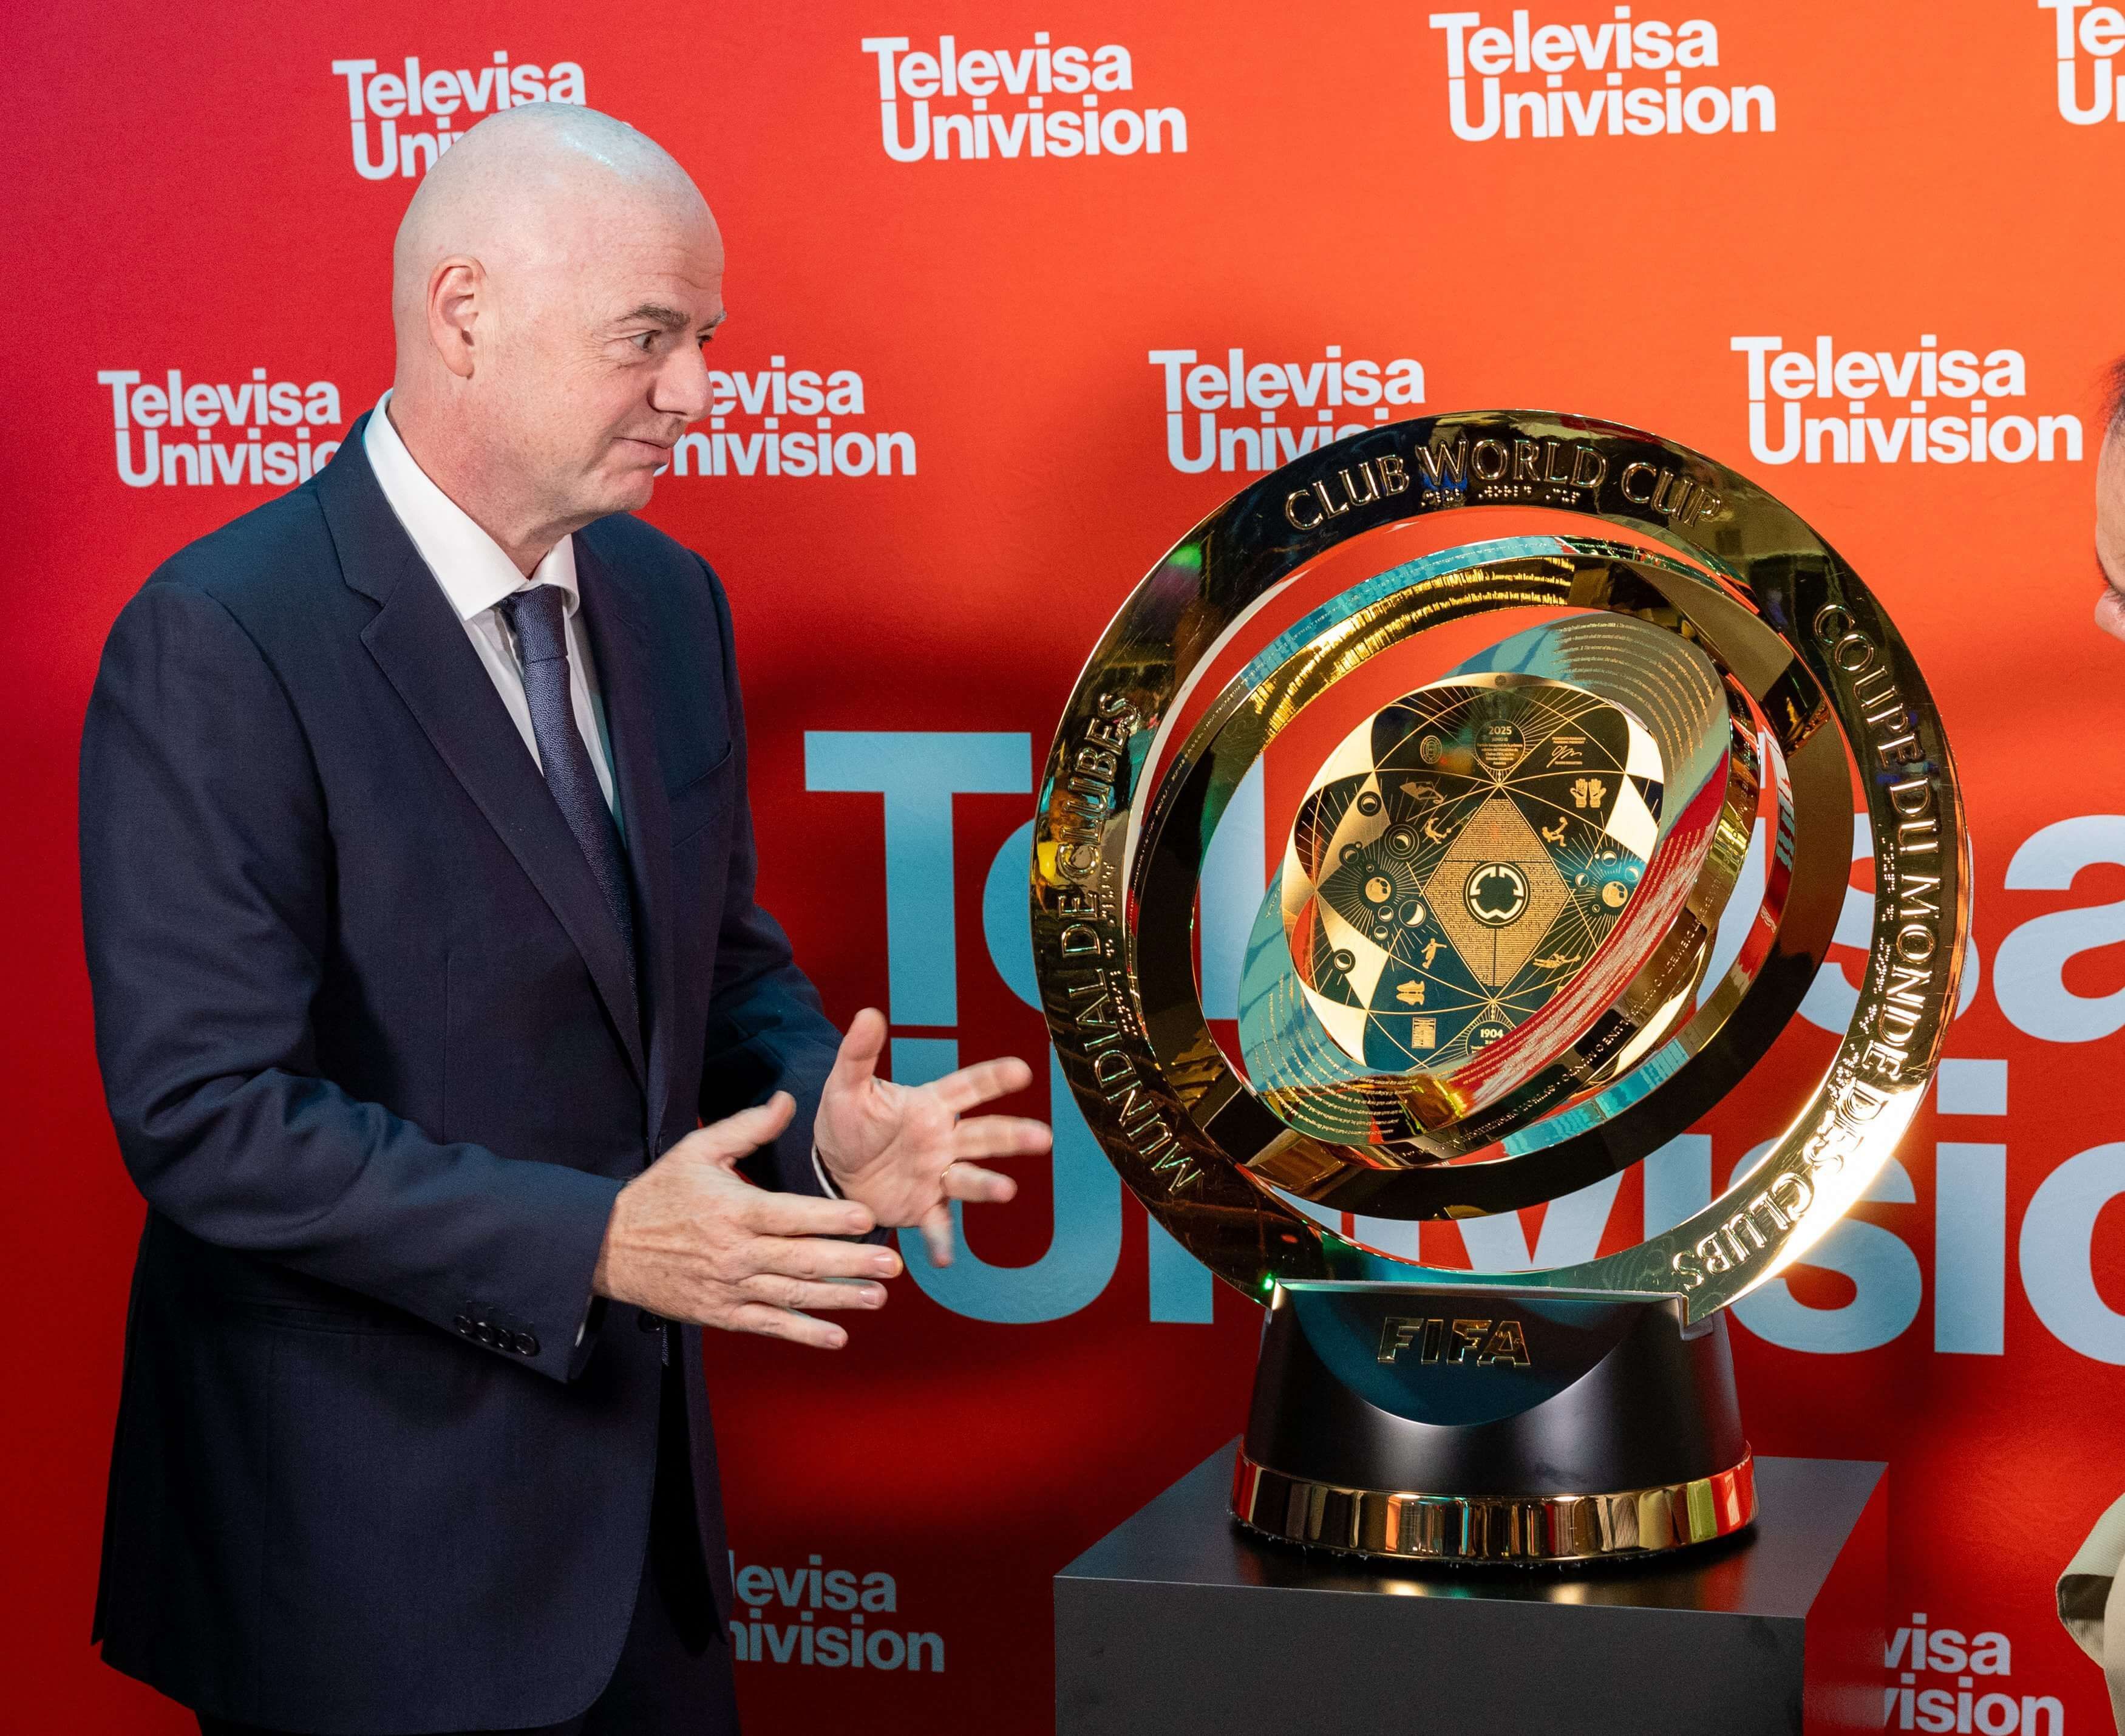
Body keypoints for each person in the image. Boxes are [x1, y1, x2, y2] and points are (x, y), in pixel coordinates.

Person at [78, 103, 1050, 1736]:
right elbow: (207, 1117)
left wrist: (828, 1119)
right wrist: (595, 1240)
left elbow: (720, 962)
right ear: (463, 313)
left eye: (705, 339)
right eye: (648, 338)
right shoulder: (222, 639)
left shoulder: (667, 600)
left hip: (642, 1568)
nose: (695, 391)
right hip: (364, 1575)